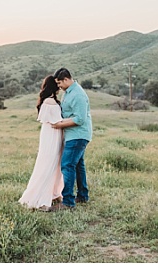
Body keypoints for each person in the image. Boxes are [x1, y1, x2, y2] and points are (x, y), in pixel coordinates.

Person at [18, 75, 65, 212]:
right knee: (49, 164)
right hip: (52, 136)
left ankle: (54, 193)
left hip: (50, 135)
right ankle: (41, 198)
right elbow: (56, 122)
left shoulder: (48, 100)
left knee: (53, 164)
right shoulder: (50, 102)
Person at [50, 67, 93, 211]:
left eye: (60, 83)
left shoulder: (78, 94)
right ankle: (82, 195)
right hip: (73, 135)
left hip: (78, 135)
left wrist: (59, 125)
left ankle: (68, 201)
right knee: (78, 165)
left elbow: (80, 119)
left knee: (67, 165)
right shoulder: (68, 93)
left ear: (67, 79)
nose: (59, 86)